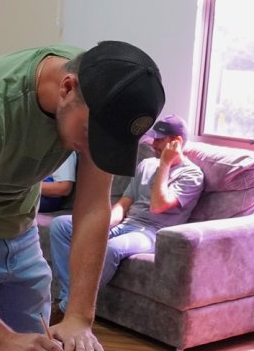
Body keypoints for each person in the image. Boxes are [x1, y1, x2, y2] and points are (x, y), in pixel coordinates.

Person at [0, 41, 165, 351]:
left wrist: (79, 317)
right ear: (67, 88)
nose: (94, 149)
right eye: (91, 134)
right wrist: (2, 341)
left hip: (21, 229)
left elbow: (93, 208)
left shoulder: (101, 97)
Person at [48, 113, 203, 317]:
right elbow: (125, 201)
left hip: (153, 233)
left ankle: (67, 309)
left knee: (111, 248)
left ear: (177, 142)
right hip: (128, 223)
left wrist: (165, 164)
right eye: (153, 138)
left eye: (159, 140)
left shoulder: (192, 175)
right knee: (61, 226)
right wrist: (104, 223)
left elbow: (157, 206)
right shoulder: (146, 164)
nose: (153, 144)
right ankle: (69, 298)